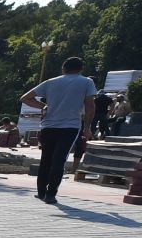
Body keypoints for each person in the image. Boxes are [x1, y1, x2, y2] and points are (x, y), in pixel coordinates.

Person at [22, 57, 97, 205]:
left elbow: (25, 98)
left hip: (48, 126)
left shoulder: (51, 82)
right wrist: (87, 128)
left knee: (46, 159)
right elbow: (90, 105)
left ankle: (41, 192)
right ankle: (51, 194)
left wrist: (43, 106)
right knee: (59, 160)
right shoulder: (87, 82)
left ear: (63, 68)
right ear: (81, 69)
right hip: (70, 127)